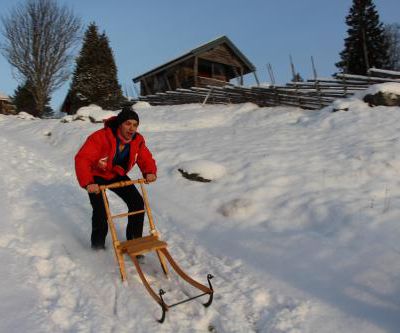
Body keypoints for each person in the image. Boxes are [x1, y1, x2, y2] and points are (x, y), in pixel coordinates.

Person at [75, 106, 157, 250]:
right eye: (128, 124)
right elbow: (83, 159)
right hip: (96, 176)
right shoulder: (101, 137)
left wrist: (150, 171)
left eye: (135, 125)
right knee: (101, 211)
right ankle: (98, 247)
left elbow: (145, 157)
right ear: (120, 124)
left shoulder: (137, 140)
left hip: (116, 174)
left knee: (137, 203)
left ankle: (134, 243)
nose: (132, 128)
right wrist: (88, 183)